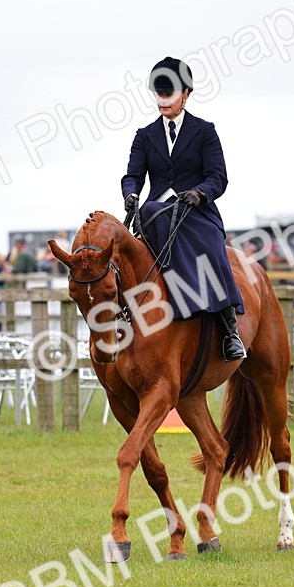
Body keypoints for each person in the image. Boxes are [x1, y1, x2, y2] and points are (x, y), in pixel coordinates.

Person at [121, 56, 244, 360]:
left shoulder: (204, 131)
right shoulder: (144, 136)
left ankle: (230, 331)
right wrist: (131, 193)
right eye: (160, 95)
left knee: (212, 248)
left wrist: (201, 192)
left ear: (186, 94)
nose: (163, 101)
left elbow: (218, 176)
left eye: (170, 95)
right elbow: (133, 175)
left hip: (196, 210)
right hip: (157, 211)